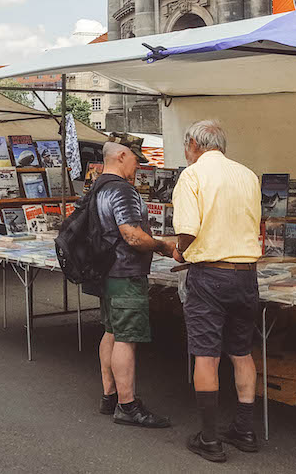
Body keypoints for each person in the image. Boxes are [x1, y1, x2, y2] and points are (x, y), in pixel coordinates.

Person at [170, 120, 262, 463]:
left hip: (210, 275)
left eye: (185, 146)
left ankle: (209, 439)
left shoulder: (192, 175)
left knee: (206, 355)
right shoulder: (248, 175)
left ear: (194, 143)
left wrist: (179, 250)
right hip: (246, 275)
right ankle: (245, 429)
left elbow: (188, 230)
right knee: (241, 352)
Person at [90, 142, 175, 429]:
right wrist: (163, 246)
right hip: (125, 273)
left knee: (111, 331)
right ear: (121, 156)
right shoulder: (122, 190)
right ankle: (127, 405)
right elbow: (133, 236)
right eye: (135, 160)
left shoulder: (97, 187)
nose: (137, 166)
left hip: (106, 272)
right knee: (126, 337)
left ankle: (109, 396)